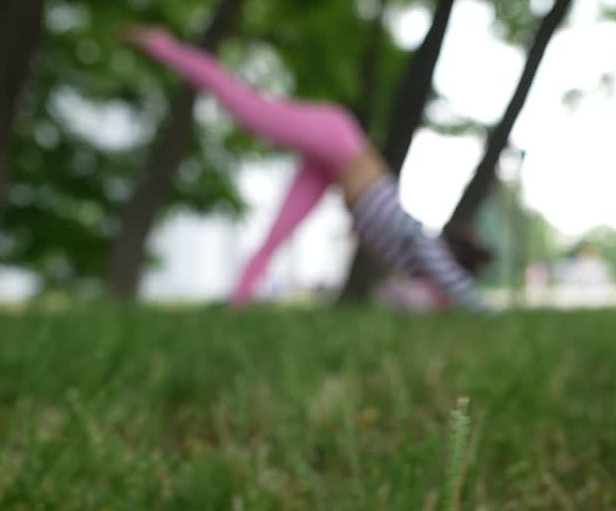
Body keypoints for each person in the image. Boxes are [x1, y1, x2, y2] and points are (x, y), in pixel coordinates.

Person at [120, 26, 494, 312]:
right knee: (245, 108)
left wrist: (436, 300)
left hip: (333, 164)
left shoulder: (416, 270)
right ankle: (162, 45)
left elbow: (398, 295)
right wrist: (480, 310)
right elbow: (450, 282)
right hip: (336, 140)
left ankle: (238, 299)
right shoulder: (423, 248)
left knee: (280, 228)